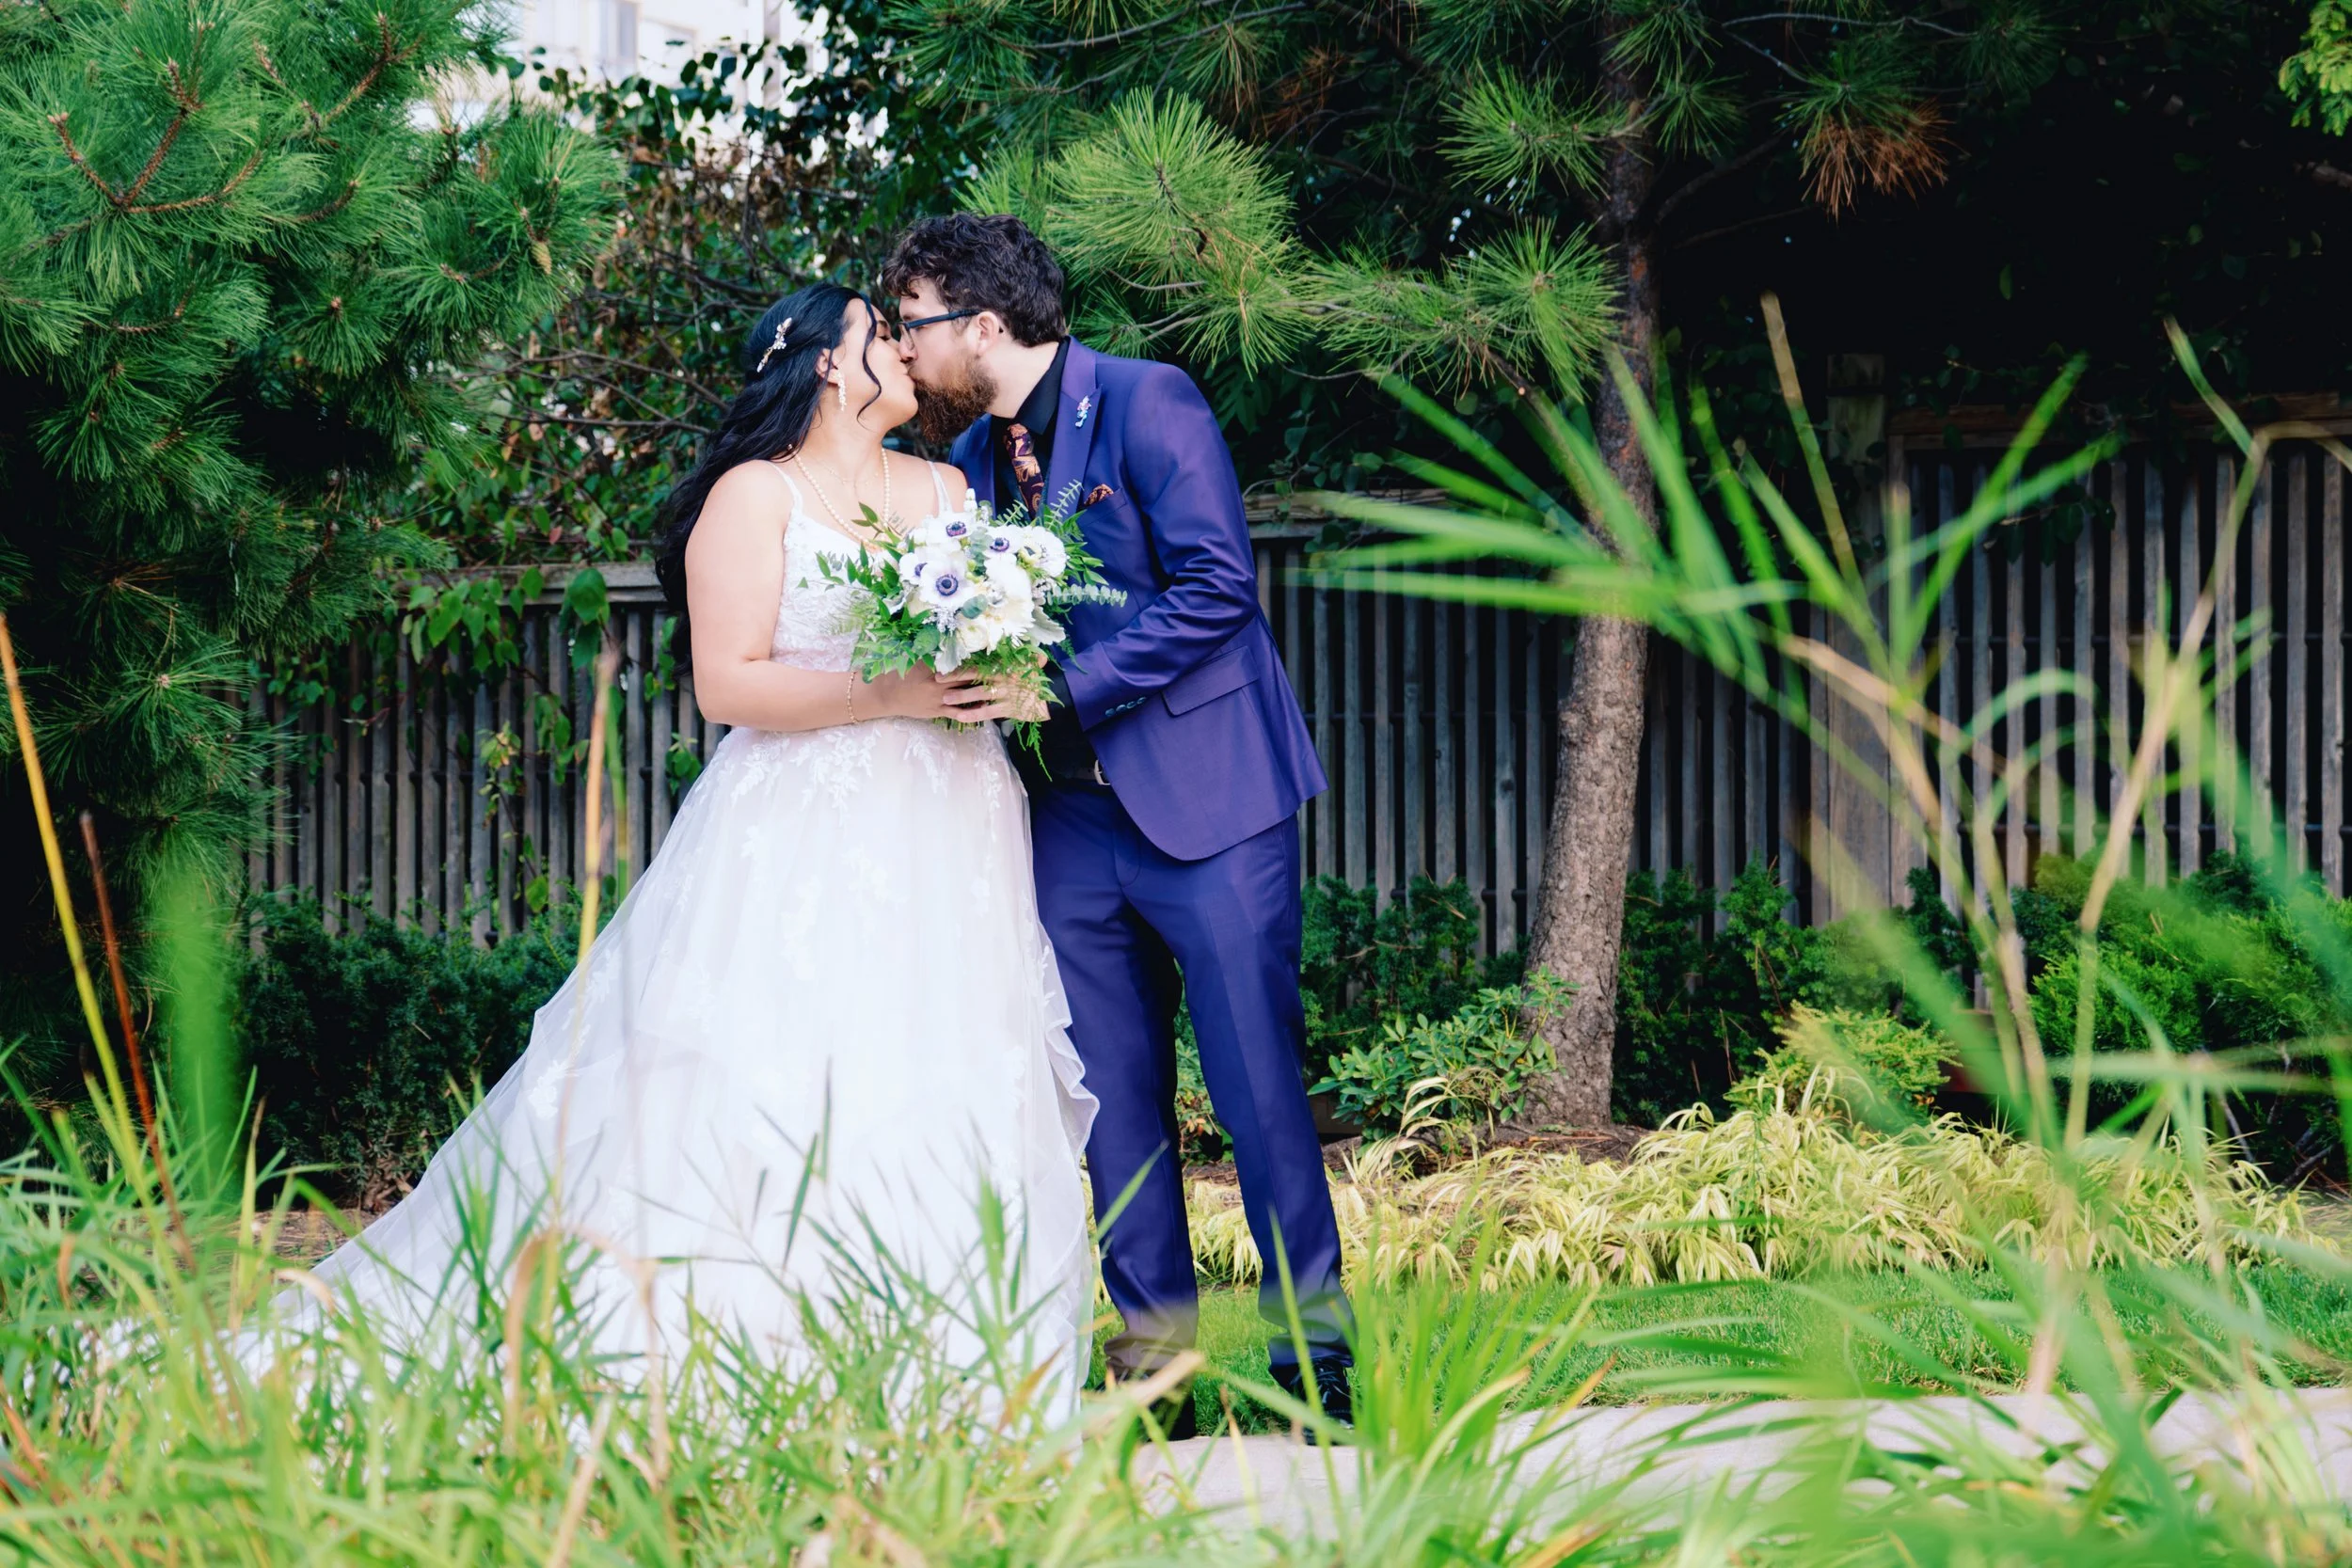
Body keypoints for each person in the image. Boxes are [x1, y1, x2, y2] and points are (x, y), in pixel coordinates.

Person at [282, 282, 1099, 1417]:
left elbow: (973, 636)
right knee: (780, 1075)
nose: (907, 354)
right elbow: (730, 683)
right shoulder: (752, 497)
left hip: (953, 820)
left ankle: (950, 1370)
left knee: (944, 1064)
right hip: (798, 826)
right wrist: (896, 686)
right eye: (881, 335)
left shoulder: (947, 484)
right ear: (825, 362)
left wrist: (997, 673)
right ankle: (746, 1359)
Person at [883, 214, 1353, 1435]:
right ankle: (1159, 1368)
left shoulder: (1150, 402)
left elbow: (1216, 587)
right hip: (1066, 824)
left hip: (1214, 807)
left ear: (984, 324)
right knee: (1113, 1105)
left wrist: (1066, 688)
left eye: (916, 322)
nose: (905, 347)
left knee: (1257, 1095)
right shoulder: (965, 472)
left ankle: (1320, 1361)